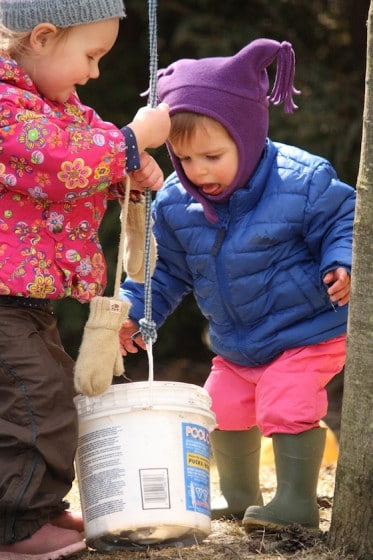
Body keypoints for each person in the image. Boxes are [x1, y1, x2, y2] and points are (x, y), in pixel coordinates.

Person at [119, 38, 356, 533]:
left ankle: (296, 503)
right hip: (239, 345)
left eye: (212, 155)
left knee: (287, 402)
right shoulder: (174, 206)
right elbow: (161, 272)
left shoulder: (301, 179)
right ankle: (241, 497)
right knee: (220, 407)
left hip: (308, 331)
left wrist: (342, 262)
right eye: (184, 160)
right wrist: (136, 312)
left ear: (247, 137)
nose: (198, 171)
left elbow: (345, 220)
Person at [0, 0, 170, 557]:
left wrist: (131, 167)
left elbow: (86, 165)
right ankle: (16, 526)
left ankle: (38, 508)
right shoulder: (7, 106)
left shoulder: (59, 104)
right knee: (35, 402)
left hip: (27, 297)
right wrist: (128, 141)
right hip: (3, 298)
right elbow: (56, 160)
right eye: (91, 56)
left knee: (45, 396)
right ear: (44, 37)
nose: (95, 72)